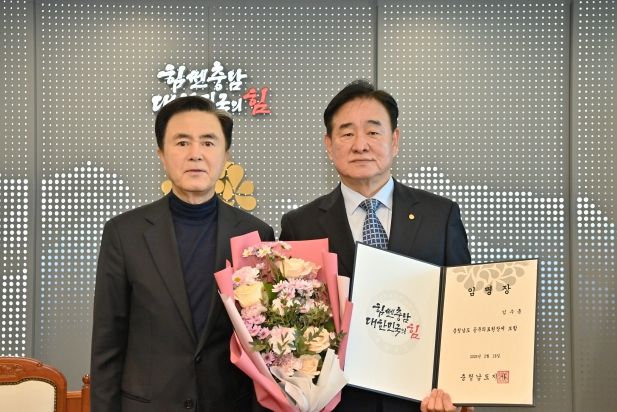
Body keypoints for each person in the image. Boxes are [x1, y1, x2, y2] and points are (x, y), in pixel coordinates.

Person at [279, 80, 473, 412]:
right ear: (329, 145)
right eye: (346, 133)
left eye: (372, 132)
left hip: (423, 402)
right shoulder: (301, 225)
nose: (360, 145)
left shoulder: (440, 215)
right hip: (338, 404)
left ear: (394, 140)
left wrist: (464, 392)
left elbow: (463, 310)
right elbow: (289, 325)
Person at [90, 96, 274, 412]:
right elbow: (108, 346)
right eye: (182, 142)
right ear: (161, 154)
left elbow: (265, 349)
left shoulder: (256, 235)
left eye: (208, 142)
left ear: (226, 155)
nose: (195, 154)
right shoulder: (124, 234)